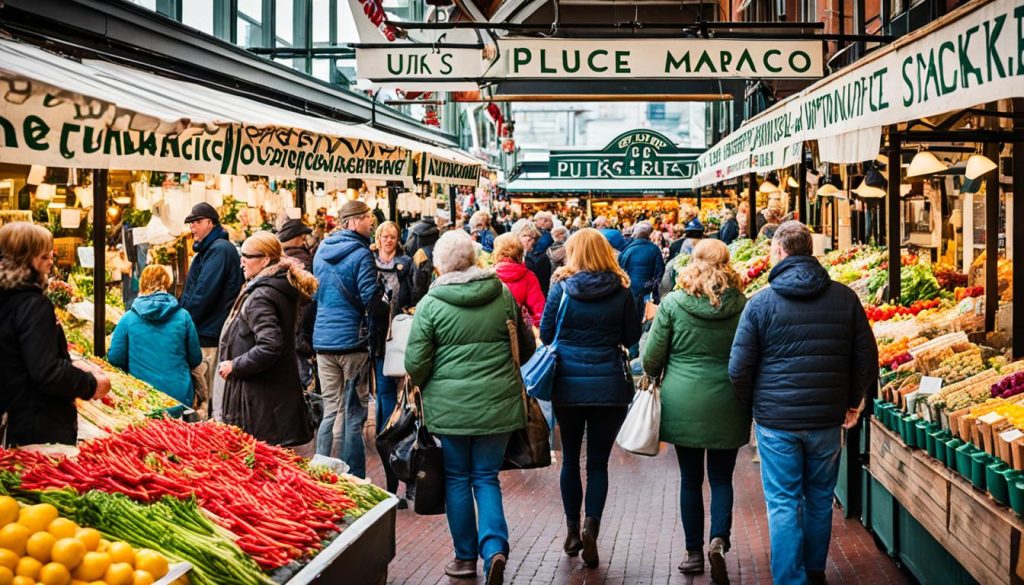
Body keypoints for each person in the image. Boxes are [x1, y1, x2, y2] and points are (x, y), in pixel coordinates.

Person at [729, 221, 878, 585]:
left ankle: (789, 579)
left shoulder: (760, 303)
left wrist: (755, 405)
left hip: (776, 422)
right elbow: (867, 359)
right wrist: (853, 402)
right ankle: (814, 572)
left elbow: (738, 368)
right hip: (827, 418)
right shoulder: (845, 298)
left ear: (780, 251)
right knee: (819, 497)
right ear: (810, 251)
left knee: (782, 501)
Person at [405, 230, 536, 585]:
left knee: (458, 478)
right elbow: (524, 346)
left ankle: (465, 558)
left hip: (450, 410)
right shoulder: (503, 294)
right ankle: (494, 547)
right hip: (499, 405)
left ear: (440, 265)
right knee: (485, 477)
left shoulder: (432, 303)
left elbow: (415, 363)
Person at [642, 239, 749, 582]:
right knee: (721, 478)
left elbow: (651, 358)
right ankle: (718, 540)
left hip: (682, 399)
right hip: (728, 400)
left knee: (690, 480)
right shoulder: (741, 304)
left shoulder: (673, 303)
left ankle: (692, 553)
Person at [540, 228, 642, 569]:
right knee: (598, 462)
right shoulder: (621, 289)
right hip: (609, 384)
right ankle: (591, 526)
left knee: (570, 458)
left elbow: (545, 332)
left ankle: (571, 529)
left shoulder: (561, 288)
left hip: (567, 382)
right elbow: (631, 336)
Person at [0, 222, 111, 446]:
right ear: (24, 259)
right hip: (36, 426)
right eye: (43, 257)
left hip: (11, 421)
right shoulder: (32, 304)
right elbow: (47, 372)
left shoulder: (7, 299)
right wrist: (91, 384)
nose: (51, 263)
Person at [216, 231, 316, 454]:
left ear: (266, 260)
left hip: (262, 402)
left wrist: (235, 365)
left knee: (261, 465)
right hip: (272, 398)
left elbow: (270, 345)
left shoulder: (262, 295)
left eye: (248, 256)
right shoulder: (275, 287)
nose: (242, 261)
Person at [312, 200, 381, 477]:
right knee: (354, 416)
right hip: (352, 343)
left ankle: (319, 472)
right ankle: (353, 475)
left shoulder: (320, 251)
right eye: (367, 218)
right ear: (351, 222)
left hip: (323, 342)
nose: (371, 223)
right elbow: (370, 299)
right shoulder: (362, 255)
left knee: (330, 410)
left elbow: (316, 295)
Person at [179, 202, 244, 418]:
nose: (193, 228)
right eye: (191, 224)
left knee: (211, 401)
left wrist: (184, 322)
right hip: (206, 333)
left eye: (197, 222)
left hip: (210, 335)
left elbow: (204, 294)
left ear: (210, 222)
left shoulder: (219, 251)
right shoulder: (211, 250)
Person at [109, 265, 202, 406]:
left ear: (142, 285)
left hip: (143, 398)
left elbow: (115, 358)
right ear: (166, 284)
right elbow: (195, 359)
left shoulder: (128, 318)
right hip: (180, 397)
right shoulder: (183, 316)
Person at [370, 221, 414, 506]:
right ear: (377, 238)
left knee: (407, 404)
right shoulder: (368, 263)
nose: (388, 240)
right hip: (378, 341)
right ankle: (391, 478)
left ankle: (406, 474)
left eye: (393, 237)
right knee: (386, 402)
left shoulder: (406, 264)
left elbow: (412, 297)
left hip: (401, 339)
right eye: (384, 236)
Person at [278, 218, 316, 389]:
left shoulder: (278, 261)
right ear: (297, 238)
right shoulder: (303, 261)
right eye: (302, 237)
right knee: (303, 383)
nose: (304, 241)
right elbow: (308, 301)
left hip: (286, 330)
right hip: (300, 331)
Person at [492, 233, 545, 327]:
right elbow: (539, 312)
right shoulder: (528, 276)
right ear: (520, 251)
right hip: (519, 331)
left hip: (493, 329)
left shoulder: (489, 275)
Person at [617, 222, 666, 323]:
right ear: (649, 234)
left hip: (630, 290)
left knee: (631, 318)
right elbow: (660, 271)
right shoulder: (654, 249)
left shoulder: (626, 250)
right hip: (647, 292)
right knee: (646, 318)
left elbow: (619, 270)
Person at [407, 215, 442, 306]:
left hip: (426, 301)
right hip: (440, 296)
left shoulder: (421, 253)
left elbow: (418, 285)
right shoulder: (441, 246)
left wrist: (415, 304)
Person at [516, 222, 552, 297]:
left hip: (536, 296)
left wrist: (526, 252)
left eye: (531, 236)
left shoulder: (542, 257)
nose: (527, 238)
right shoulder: (515, 255)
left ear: (535, 240)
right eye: (524, 235)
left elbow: (538, 280)